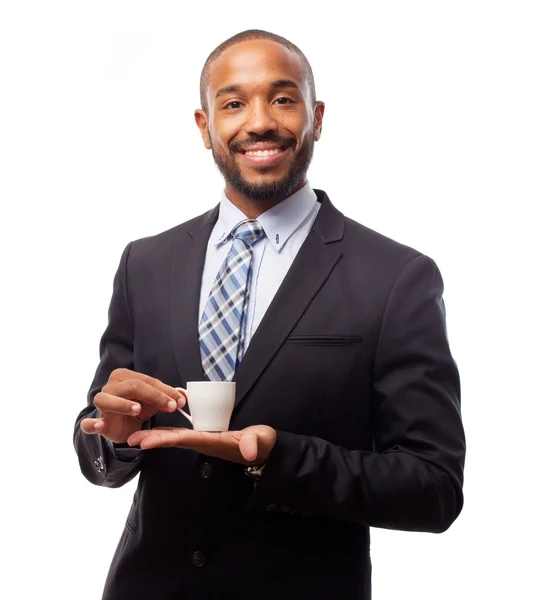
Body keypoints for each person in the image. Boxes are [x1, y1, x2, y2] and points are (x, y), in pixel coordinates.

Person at [73, 29, 466, 600]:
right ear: (206, 127)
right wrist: (114, 438)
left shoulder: (396, 278)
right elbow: (100, 434)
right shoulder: (145, 263)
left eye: (282, 98)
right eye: (233, 103)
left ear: (317, 116)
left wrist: (280, 458)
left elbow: (433, 488)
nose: (259, 122)